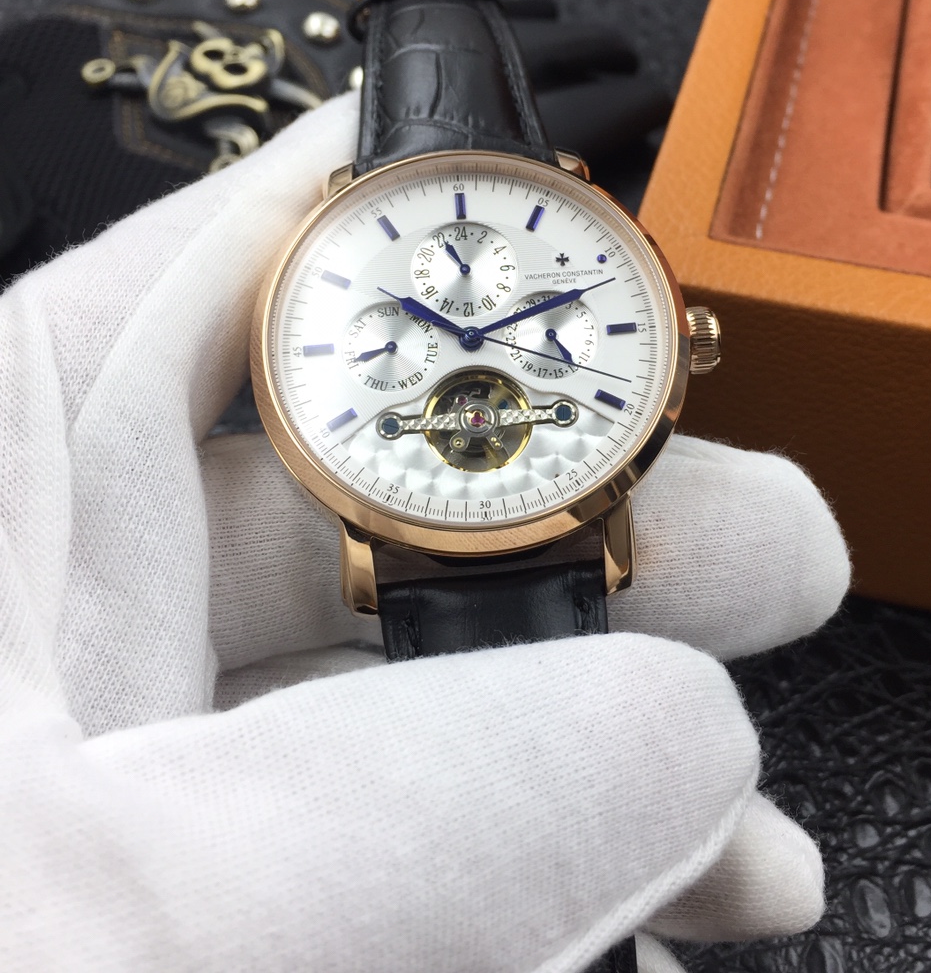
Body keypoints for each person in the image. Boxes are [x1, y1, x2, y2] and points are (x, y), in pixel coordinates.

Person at [0, 92, 850, 972]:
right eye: (436, 334)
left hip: (525, 495)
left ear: (684, 341)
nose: (471, 340)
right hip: (420, 504)